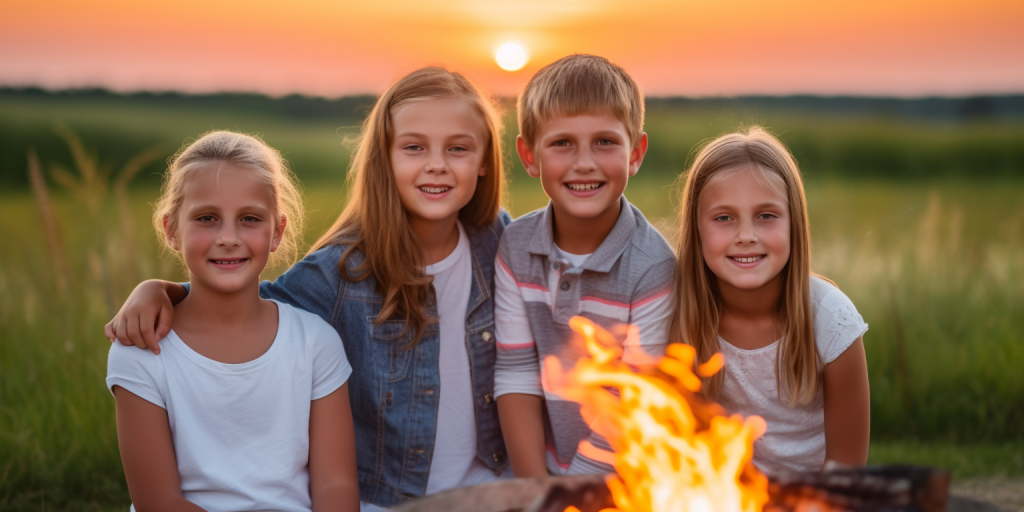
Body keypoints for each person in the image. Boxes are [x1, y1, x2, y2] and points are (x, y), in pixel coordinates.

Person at [105, 67, 511, 510]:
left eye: (458, 148)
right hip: (391, 500)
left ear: (486, 158)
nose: (437, 164)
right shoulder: (339, 273)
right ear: (384, 157)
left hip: (490, 491)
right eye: (414, 147)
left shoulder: (502, 244)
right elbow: (241, 302)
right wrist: (159, 291)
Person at [106, 131, 359, 512]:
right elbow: (158, 502)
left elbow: (335, 485)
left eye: (249, 219)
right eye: (207, 218)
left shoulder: (315, 343)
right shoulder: (142, 350)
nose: (228, 237)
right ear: (171, 230)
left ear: (277, 232)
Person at [494, 54, 676, 477]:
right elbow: (517, 373)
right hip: (539, 479)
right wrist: (535, 488)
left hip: (624, 483)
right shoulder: (516, 248)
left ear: (636, 153)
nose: (584, 163)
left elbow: (633, 404)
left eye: (605, 142)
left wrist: (568, 497)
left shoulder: (654, 268)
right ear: (529, 155)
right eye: (562, 143)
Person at [671, 126, 870, 474]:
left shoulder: (831, 320)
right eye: (723, 218)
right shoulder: (680, 317)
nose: (746, 236)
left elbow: (847, 473)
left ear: (794, 223)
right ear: (696, 228)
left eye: (766, 216)